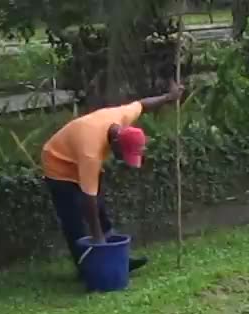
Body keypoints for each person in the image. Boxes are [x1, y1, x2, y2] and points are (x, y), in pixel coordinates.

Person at [40, 82, 184, 278]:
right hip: (58, 161)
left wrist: (169, 97)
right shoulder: (90, 151)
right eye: (122, 155)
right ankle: (89, 267)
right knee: (74, 217)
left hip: (78, 155)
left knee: (99, 207)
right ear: (115, 142)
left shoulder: (121, 118)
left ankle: (116, 258)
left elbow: (142, 104)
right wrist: (97, 238)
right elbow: (87, 199)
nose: (123, 160)